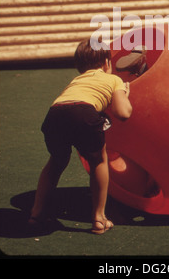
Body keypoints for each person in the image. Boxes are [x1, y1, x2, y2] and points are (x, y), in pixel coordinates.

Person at [28, 39, 132, 235]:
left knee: (57, 161)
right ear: (106, 63)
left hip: (54, 113)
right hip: (83, 113)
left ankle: (36, 213)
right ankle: (99, 218)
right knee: (99, 161)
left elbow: (73, 103)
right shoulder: (113, 79)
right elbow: (123, 113)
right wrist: (124, 94)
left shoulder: (76, 80)